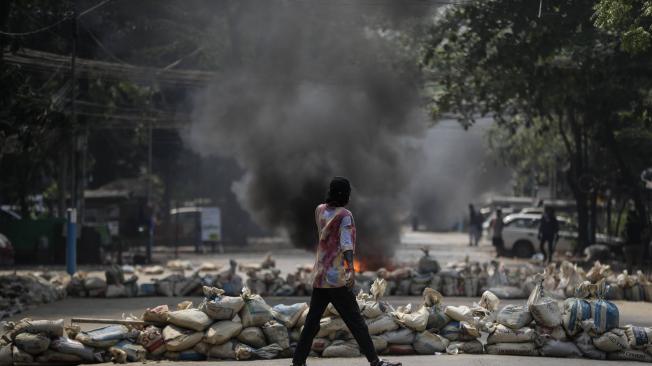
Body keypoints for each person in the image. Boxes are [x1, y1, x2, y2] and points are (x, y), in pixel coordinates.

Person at [292, 177, 401, 366]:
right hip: (336, 279)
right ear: (345, 194)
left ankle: (298, 362)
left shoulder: (319, 210)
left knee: (312, 322)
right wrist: (350, 270)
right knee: (356, 322)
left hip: (320, 276)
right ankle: (375, 362)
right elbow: (346, 244)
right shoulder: (345, 215)